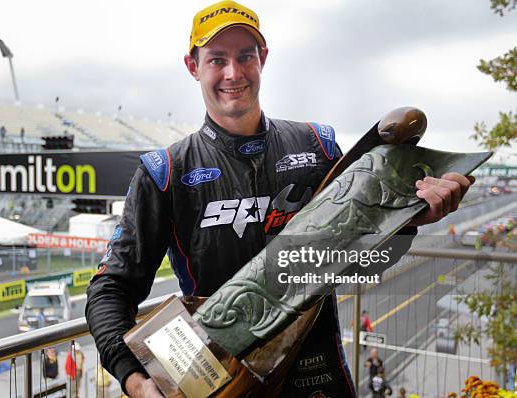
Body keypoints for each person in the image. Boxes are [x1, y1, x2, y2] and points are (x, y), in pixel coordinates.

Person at [85, 2, 475, 397]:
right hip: (216, 379)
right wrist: (135, 380)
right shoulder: (165, 171)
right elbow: (110, 289)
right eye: (217, 59)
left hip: (317, 376)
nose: (233, 73)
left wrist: (407, 221)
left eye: (245, 56)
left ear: (263, 59)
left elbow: (360, 262)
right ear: (193, 66)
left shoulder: (318, 146)